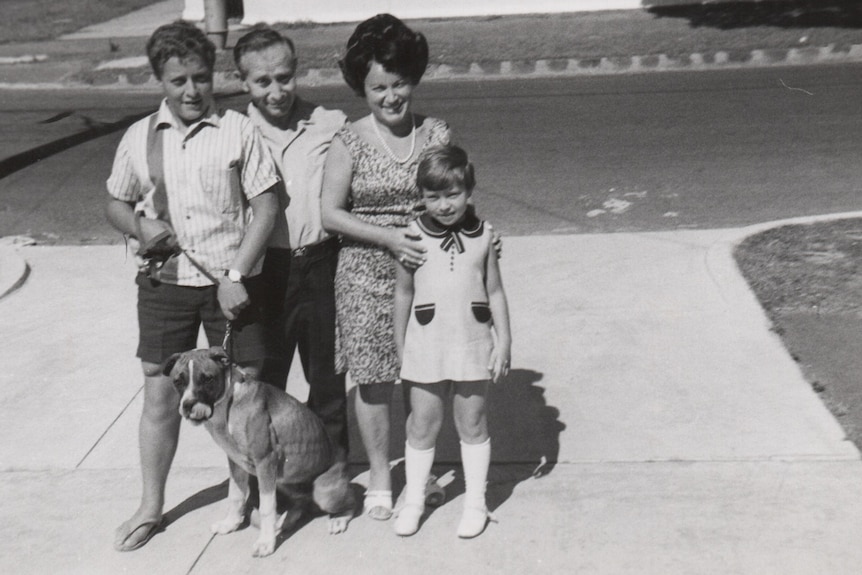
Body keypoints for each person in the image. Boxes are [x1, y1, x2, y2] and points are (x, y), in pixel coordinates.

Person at [106, 20, 280, 552]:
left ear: (212, 76)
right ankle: (151, 507)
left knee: (243, 399)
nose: (191, 90)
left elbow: (267, 207)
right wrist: (140, 226)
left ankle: (248, 496)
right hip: (164, 287)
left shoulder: (237, 130)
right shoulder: (140, 137)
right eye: (178, 79)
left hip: (230, 289)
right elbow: (115, 202)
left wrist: (235, 276)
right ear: (160, 77)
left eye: (201, 78)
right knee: (161, 397)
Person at [320, 13, 452, 521]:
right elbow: (330, 214)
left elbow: (452, 198)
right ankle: (378, 474)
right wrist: (386, 236)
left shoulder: (436, 133)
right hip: (364, 274)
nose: (391, 97)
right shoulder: (347, 141)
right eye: (379, 87)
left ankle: (420, 473)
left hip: (429, 272)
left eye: (399, 84)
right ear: (362, 86)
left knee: (427, 379)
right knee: (374, 380)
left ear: (413, 78)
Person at [232, 26, 349, 461]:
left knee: (328, 381)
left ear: (296, 71)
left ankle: (332, 480)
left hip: (320, 265)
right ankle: (275, 481)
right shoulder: (235, 133)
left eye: (284, 77)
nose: (276, 90)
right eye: (263, 81)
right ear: (244, 82)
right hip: (266, 274)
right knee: (265, 386)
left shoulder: (329, 124)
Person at [392, 144, 511, 539]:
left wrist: (504, 339)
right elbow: (403, 294)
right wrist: (399, 345)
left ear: (469, 191)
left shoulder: (484, 236)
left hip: (473, 340)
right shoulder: (413, 235)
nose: (443, 205)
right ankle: (413, 502)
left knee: (472, 422)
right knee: (422, 424)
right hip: (426, 342)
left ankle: (476, 503)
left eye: (452, 195)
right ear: (421, 198)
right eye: (433, 196)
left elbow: (494, 291)